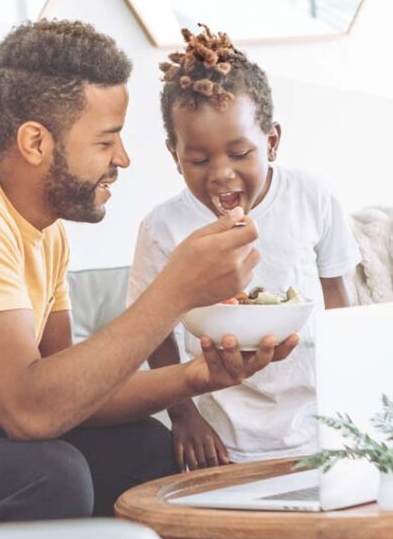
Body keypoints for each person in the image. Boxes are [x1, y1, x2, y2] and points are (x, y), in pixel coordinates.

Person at [0, 19, 297, 531]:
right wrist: (175, 291)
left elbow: (70, 395)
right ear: (36, 142)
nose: (123, 159)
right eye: (107, 141)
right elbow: (30, 411)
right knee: (49, 475)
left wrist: (196, 377)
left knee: (144, 449)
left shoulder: (46, 233)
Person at [127, 26, 360, 470]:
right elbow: (154, 335)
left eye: (239, 153)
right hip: (225, 436)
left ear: (271, 142)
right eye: (198, 160)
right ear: (174, 154)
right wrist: (184, 417)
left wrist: (356, 398)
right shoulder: (162, 228)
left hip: (322, 424)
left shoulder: (312, 195)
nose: (221, 174)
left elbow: (339, 298)